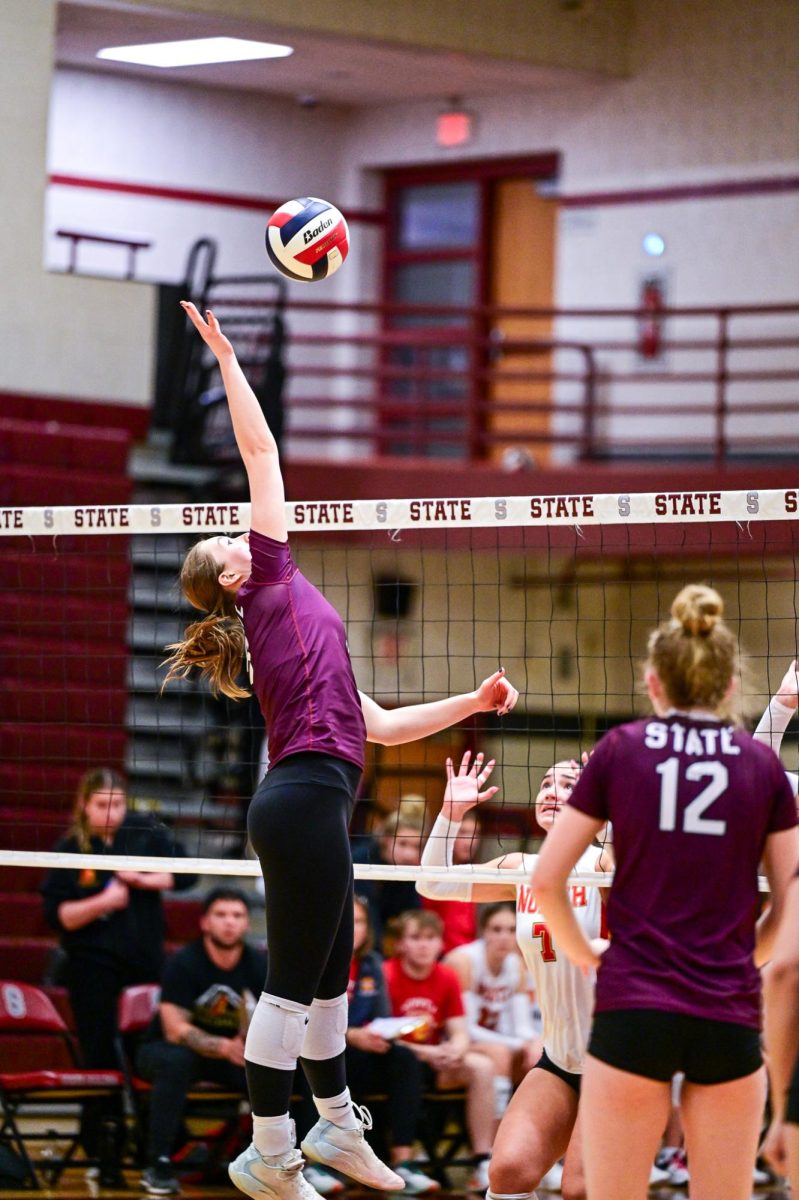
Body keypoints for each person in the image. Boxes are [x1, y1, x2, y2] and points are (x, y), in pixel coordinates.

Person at [162, 302, 519, 1200]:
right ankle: (269, 1151)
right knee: (291, 985)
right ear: (234, 570)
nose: (242, 530)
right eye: (228, 537)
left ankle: (333, 1131)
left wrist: (473, 702)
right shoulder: (269, 579)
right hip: (302, 800)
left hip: (314, 793)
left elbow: (386, 728)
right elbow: (263, 456)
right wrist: (230, 362)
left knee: (327, 981)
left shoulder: (293, 637)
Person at [530, 583, 799, 1200]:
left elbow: (546, 881)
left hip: (633, 1006)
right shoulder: (760, 768)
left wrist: (590, 958)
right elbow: (789, 907)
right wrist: (743, 960)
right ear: (730, 686)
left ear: (653, 683)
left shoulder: (621, 750)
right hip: (726, 1011)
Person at [416, 752, 611, 1200]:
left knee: (581, 1189)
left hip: (617, 1056)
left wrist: (607, 798)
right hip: (561, 1056)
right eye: (545, 784)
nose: (551, 793)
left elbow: (623, 849)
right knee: (507, 1173)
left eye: (567, 785)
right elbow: (432, 884)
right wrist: (450, 814)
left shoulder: (604, 866)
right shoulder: (521, 870)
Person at [40, 767, 197, 1183]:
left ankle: (157, 1145)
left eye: (118, 803)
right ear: (84, 805)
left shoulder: (144, 833)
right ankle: (102, 1146)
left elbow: (188, 874)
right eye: (102, 804)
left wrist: (141, 880)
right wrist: (104, 900)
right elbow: (59, 916)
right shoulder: (71, 848)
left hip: (145, 965)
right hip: (91, 969)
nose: (112, 812)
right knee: (100, 1056)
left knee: (146, 1052)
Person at [294, 897, 439, 1196]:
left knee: (404, 1059)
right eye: (346, 919)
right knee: (319, 1060)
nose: (352, 927)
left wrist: (384, 1034)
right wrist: (351, 1035)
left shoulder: (372, 964)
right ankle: (313, 1166)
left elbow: (382, 1017)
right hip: (313, 1052)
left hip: (359, 1056)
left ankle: (403, 1162)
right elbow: (299, 1020)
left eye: (358, 921)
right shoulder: (312, 959)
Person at [136, 887, 267, 1195]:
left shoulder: (258, 964)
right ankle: (158, 1163)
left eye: (237, 916)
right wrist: (224, 1047)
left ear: (247, 924)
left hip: (229, 1055)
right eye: (221, 915)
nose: (229, 923)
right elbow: (174, 1030)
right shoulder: (184, 962)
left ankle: (275, 1162)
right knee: (177, 1061)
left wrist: (253, 1048)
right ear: (205, 922)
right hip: (167, 1049)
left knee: (283, 1071)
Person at [383, 909, 497, 1193]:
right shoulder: (387, 974)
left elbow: (459, 1030)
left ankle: (482, 1160)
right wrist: (430, 1053)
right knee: (405, 1061)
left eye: (430, 938)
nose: (424, 945)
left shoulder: (446, 975)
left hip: (435, 1061)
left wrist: (456, 1050)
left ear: (441, 944)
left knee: (482, 1067)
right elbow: (384, 1035)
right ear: (400, 943)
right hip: (394, 1062)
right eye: (415, 938)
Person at [445, 902, 541, 1117]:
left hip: (493, 1040)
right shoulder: (464, 960)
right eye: (496, 929)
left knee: (540, 1057)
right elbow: (467, 1030)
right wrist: (522, 1044)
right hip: (452, 1043)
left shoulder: (515, 964)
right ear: (483, 931)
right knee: (500, 1054)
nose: (504, 937)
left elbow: (522, 1027)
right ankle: (493, 1142)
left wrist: (533, 1043)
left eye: (512, 930)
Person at [422, 810, 482, 955]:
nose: (470, 842)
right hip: (438, 955)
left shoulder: (478, 872)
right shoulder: (433, 871)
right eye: (463, 833)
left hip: (468, 955)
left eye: (475, 834)